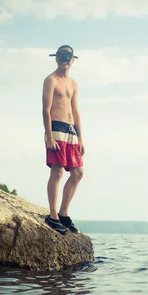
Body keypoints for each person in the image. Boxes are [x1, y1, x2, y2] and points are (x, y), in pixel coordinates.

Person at [42, 45, 85, 234]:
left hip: (71, 131)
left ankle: (63, 213)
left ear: (73, 60)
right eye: (61, 56)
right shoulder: (51, 80)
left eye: (68, 56)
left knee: (78, 173)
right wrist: (48, 135)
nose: (64, 60)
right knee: (57, 171)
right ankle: (53, 216)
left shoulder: (73, 83)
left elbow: (75, 110)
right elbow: (45, 109)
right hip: (56, 128)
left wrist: (81, 137)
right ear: (56, 58)